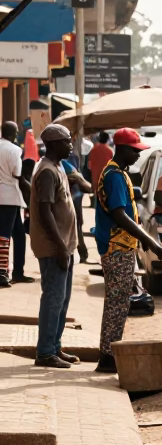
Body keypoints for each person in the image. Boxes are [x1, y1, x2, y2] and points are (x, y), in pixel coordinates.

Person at [94, 128, 162, 373]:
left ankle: (110, 352)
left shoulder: (120, 173)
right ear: (123, 149)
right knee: (117, 303)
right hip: (116, 246)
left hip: (122, 245)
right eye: (135, 151)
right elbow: (120, 216)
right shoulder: (114, 175)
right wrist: (152, 242)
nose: (138, 155)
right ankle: (108, 357)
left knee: (118, 302)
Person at [29, 124, 80, 368]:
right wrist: (60, 246)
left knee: (63, 299)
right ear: (53, 144)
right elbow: (45, 211)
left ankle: (55, 347)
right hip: (53, 247)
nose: (70, 145)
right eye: (67, 141)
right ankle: (45, 351)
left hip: (65, 245)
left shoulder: (58, 166)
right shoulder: (47, 171)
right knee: (53, 298)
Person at [0, 120, 32, 286]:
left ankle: (18, 271)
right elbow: (18, 176)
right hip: (9, 197)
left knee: (18, 234)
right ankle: (2, 272)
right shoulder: (14, 150)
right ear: (14, 134)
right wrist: (32, 191)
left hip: (5, 197)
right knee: (5, 235)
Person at [60, 148, 92, 264]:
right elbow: (78, 177)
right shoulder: (60, 161)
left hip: (75, 195)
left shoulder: (72, 157)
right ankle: (80, 253)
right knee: (73, 226)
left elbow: (78, 176)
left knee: (77, 224)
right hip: (68, 197)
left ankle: (81, 253)